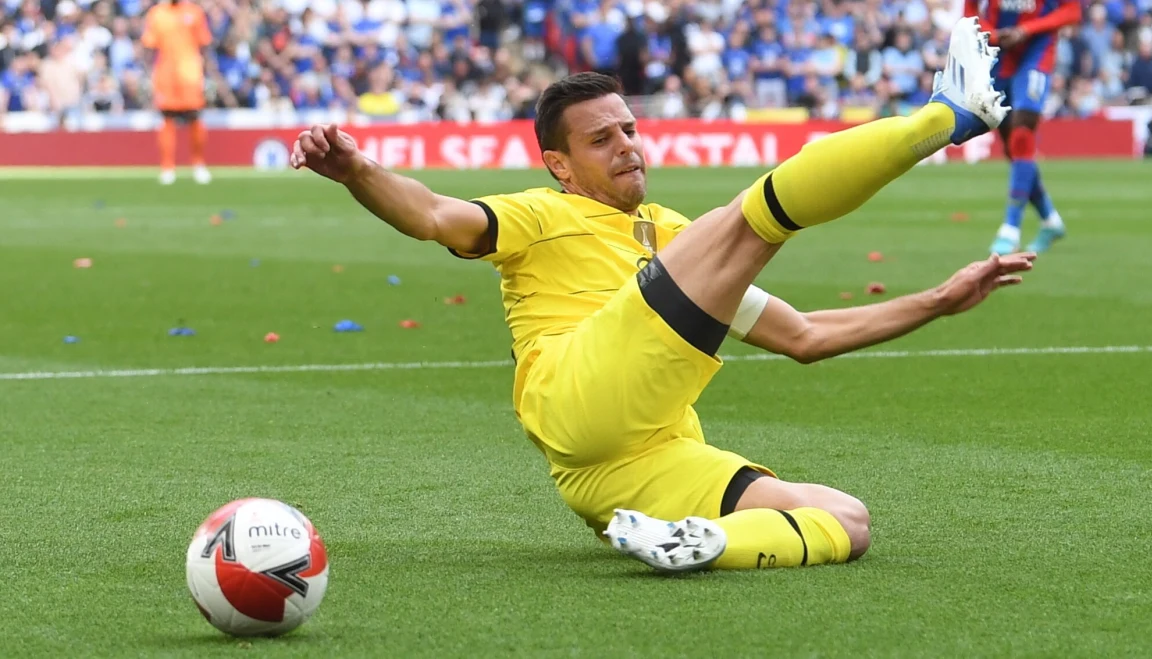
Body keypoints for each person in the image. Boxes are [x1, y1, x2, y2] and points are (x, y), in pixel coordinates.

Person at [291, 18, 1035, 573]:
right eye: (601, 139)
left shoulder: (673, 242)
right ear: (560, 164)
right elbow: (430, 215)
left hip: (625, 468)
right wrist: (358, 170)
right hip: (575, 394)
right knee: (746, 220)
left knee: (846, 520)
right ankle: (951, 115)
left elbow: (804, 336)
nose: (627, 145)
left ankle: (701, 544)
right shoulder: (539, 213)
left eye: (630, 128)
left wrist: (937, 300)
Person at [965, 0, 1082, 255]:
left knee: (1022, 129)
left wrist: (1028, 29)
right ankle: (1050, 220)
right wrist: (993, 34)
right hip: (999, 54)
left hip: (1037, 53)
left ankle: (1010, 228)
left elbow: (1072, 11)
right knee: (1012, 148)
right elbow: (969, 12)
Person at [142, 0, 213, 185]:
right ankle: (167, 167)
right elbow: (149, 46)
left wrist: (209, 74)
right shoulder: (157, 13)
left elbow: (204, 44)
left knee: (195, 116)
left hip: (190, 74)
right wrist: (147, 74)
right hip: (166, 74)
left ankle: (198, 164)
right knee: (167, 117)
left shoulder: (194, 12)